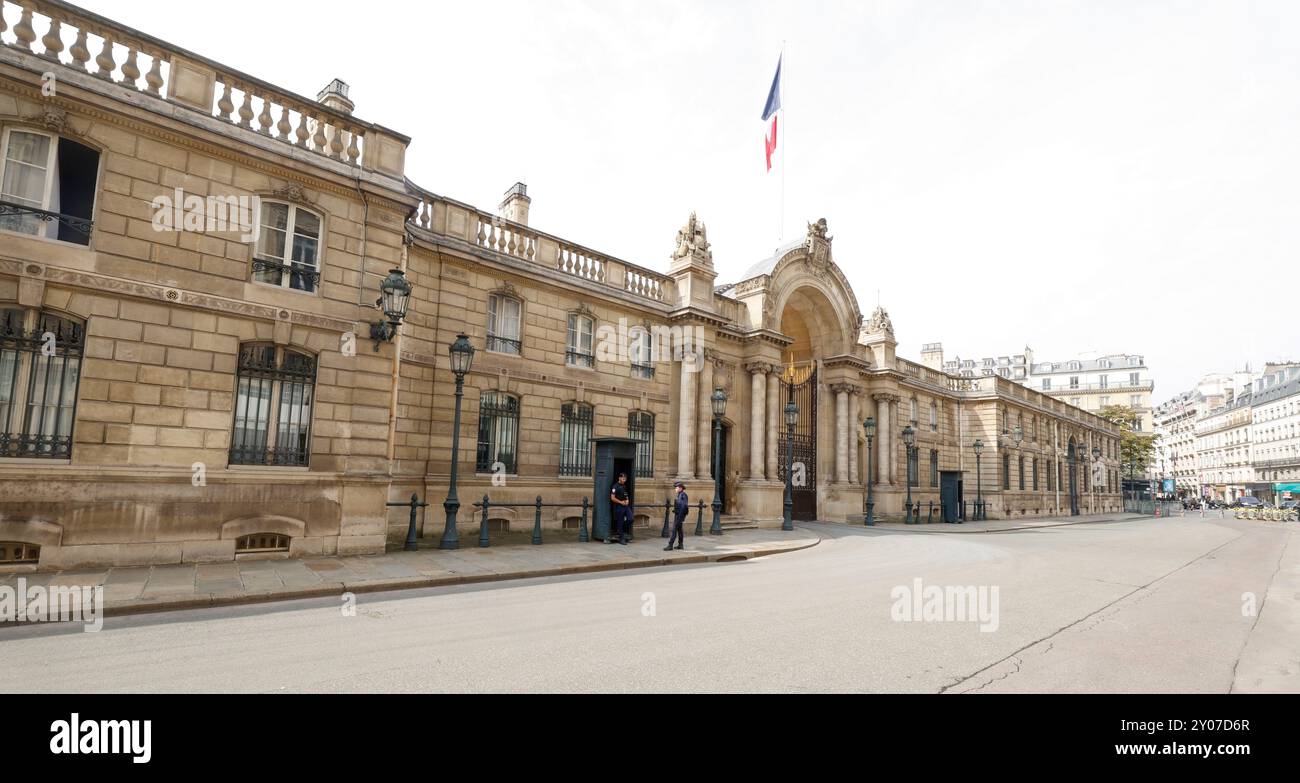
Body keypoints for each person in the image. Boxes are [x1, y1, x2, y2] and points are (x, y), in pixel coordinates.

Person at [609, 472, 632, 545]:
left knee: (630, 518)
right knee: (620, 522)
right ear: (619, 478)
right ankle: (621, 538)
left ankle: (620, 530)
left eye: (625, 478)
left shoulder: (624, 486)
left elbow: (626, 495)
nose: (624, 479)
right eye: (623, 478)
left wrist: (627, 500)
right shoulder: (615, 487)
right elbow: (612, 498)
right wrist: (620, 502)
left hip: (625, 506)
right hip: (619, 506)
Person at [665, 481, 688, 551]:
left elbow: (683, 507)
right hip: (678, 515)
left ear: (680, 488)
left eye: (676, 488)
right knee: (679, 530)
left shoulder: (683, 495)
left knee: (674, 530)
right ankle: (680, 544)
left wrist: (679, 518)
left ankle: (670, 545)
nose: (675, 489)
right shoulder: (680, 495)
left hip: (679, 516)